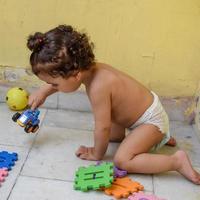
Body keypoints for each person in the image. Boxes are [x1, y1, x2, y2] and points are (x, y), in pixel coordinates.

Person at [27, 25, 200, 184]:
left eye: (54, 84)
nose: (53, 87)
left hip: (150, 121)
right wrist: (43, 92)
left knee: (123, 160)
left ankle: (176, 161)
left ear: (76, 74)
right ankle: (158, 137)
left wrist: (96, 153)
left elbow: (103, 128)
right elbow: (66, 80)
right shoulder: (91, 69)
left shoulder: (98, 87)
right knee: (115, 136)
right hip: (144, 111)